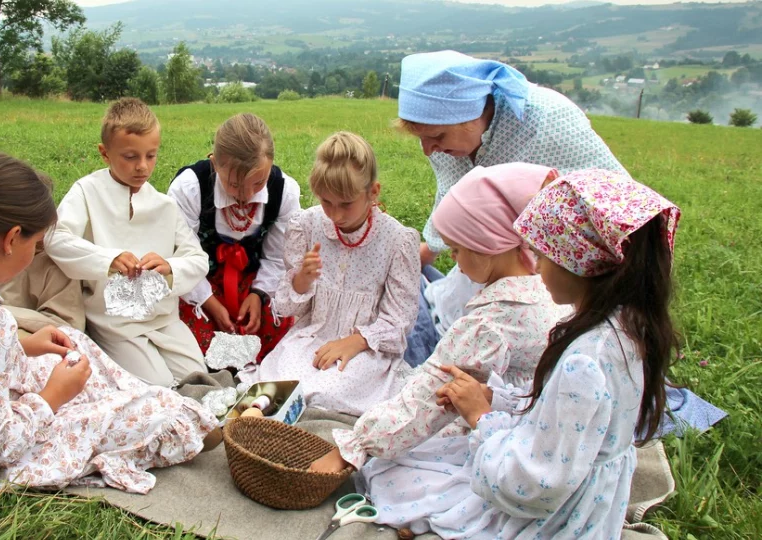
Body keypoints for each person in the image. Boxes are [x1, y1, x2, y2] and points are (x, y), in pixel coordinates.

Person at [312, 169, 680, 539]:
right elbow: (555, 410)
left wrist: (481, 418)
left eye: (542, 254)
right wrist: (498, 399)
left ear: (580, 266)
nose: (537, 265)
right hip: (589, 492)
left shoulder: (514, 333)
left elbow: (530, 483)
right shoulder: (627, 325)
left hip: (552, 515)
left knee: (392, 473)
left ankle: (422, 519)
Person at [0, 153, 221, 499]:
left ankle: (131, 399)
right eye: (35, 245)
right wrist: (52, 397)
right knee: (156, 413)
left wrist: (22, 345)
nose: (34, 254)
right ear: (11, 239)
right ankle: (178, 418)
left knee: (70, 344)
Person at [397, 50, 627, 365]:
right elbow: (453, 200)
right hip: (495, 261)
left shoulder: (547, 121)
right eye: (421, 139)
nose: (428, 150)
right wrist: (425, 252)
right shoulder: (446, 141)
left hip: (566, 272)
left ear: (474, 112)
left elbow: (619, 207)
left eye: (436, 136)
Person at [241, 132, 420, 416]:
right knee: (283, 379)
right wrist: (301, 281)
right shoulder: (307, 224)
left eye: (346, 204)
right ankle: (261, 418)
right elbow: (290, 308)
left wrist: (355, 341)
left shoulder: (398, 241)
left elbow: (400, 319)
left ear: (373, 192)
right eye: (326, 202)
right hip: (313, 334)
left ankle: (299, 419)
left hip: (365, 346)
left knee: (330, 390)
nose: (335, 215)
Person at [44, 98, 209, 386]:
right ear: (104, 153)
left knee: (199, 381)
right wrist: (107, 259)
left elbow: (197, 259)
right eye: (130, 157)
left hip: (164, 320)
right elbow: (55, 238)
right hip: (115, 324)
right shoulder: (87, 191)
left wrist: (170, 266)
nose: (142, 167)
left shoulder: (164, 206)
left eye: (151, 156)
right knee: (158, 387)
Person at [169, 113, 301, 361]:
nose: (246, 194)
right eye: (234, 185)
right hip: (199, 281)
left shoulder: (284, 191)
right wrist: (209, 302)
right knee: (190, 340)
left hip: (254, 280)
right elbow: (180, 254)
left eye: (258, 182)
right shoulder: (190, 188)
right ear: (216, 164)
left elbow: (277, 257)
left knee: (276, 326)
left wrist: (259, 294)